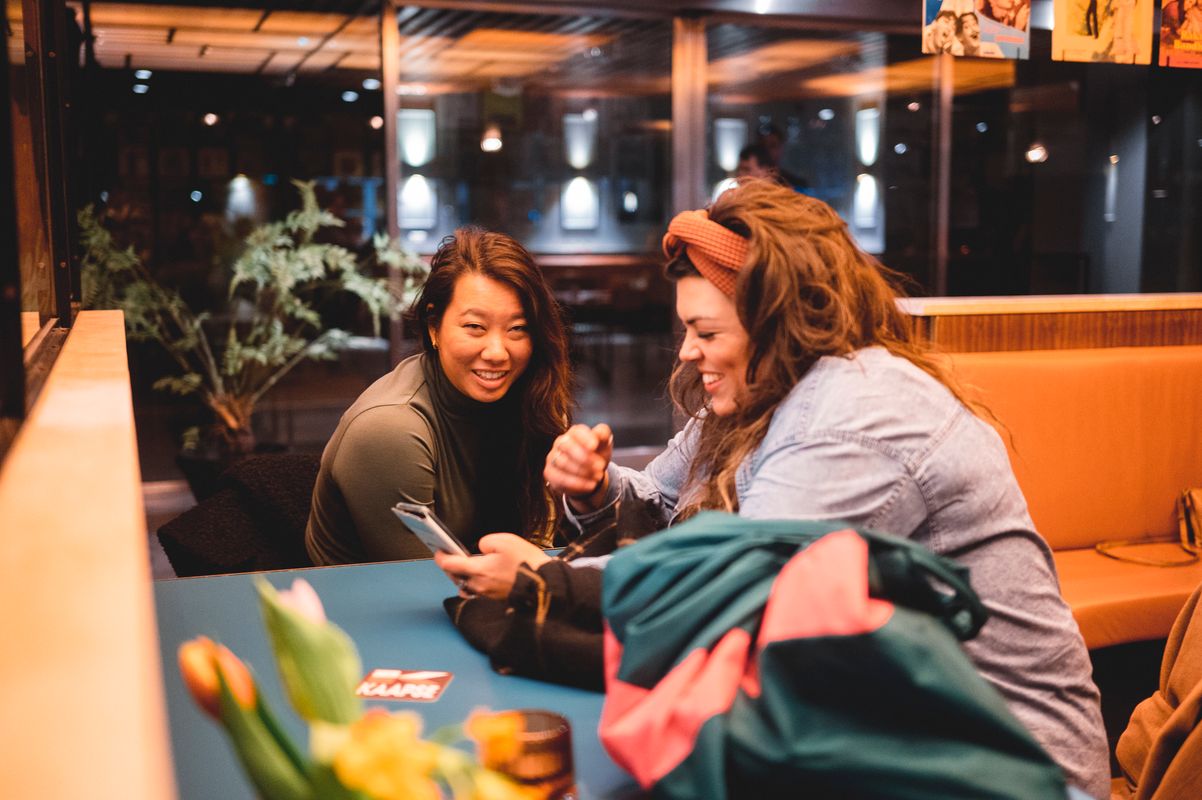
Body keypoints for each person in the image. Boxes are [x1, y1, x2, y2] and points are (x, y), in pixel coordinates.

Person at [440, 179, 1110, 798]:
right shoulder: (761, 393)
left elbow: (725, 587)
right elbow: (662, 502)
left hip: (1010, 770)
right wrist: (594, 488)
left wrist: (545, 585)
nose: (687, 351)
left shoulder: (854, 416)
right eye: (687, 330)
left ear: (778, 321)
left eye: (706, 332)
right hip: (883, 730)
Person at [305, 227, 571, 565]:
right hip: (378, 597)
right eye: (475, 327)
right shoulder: (390, 429)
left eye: (517, 329)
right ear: (434, 327)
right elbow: (430, 581)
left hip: (482, 587)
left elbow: (541, 539)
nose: (497, 352)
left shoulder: (530, 399)